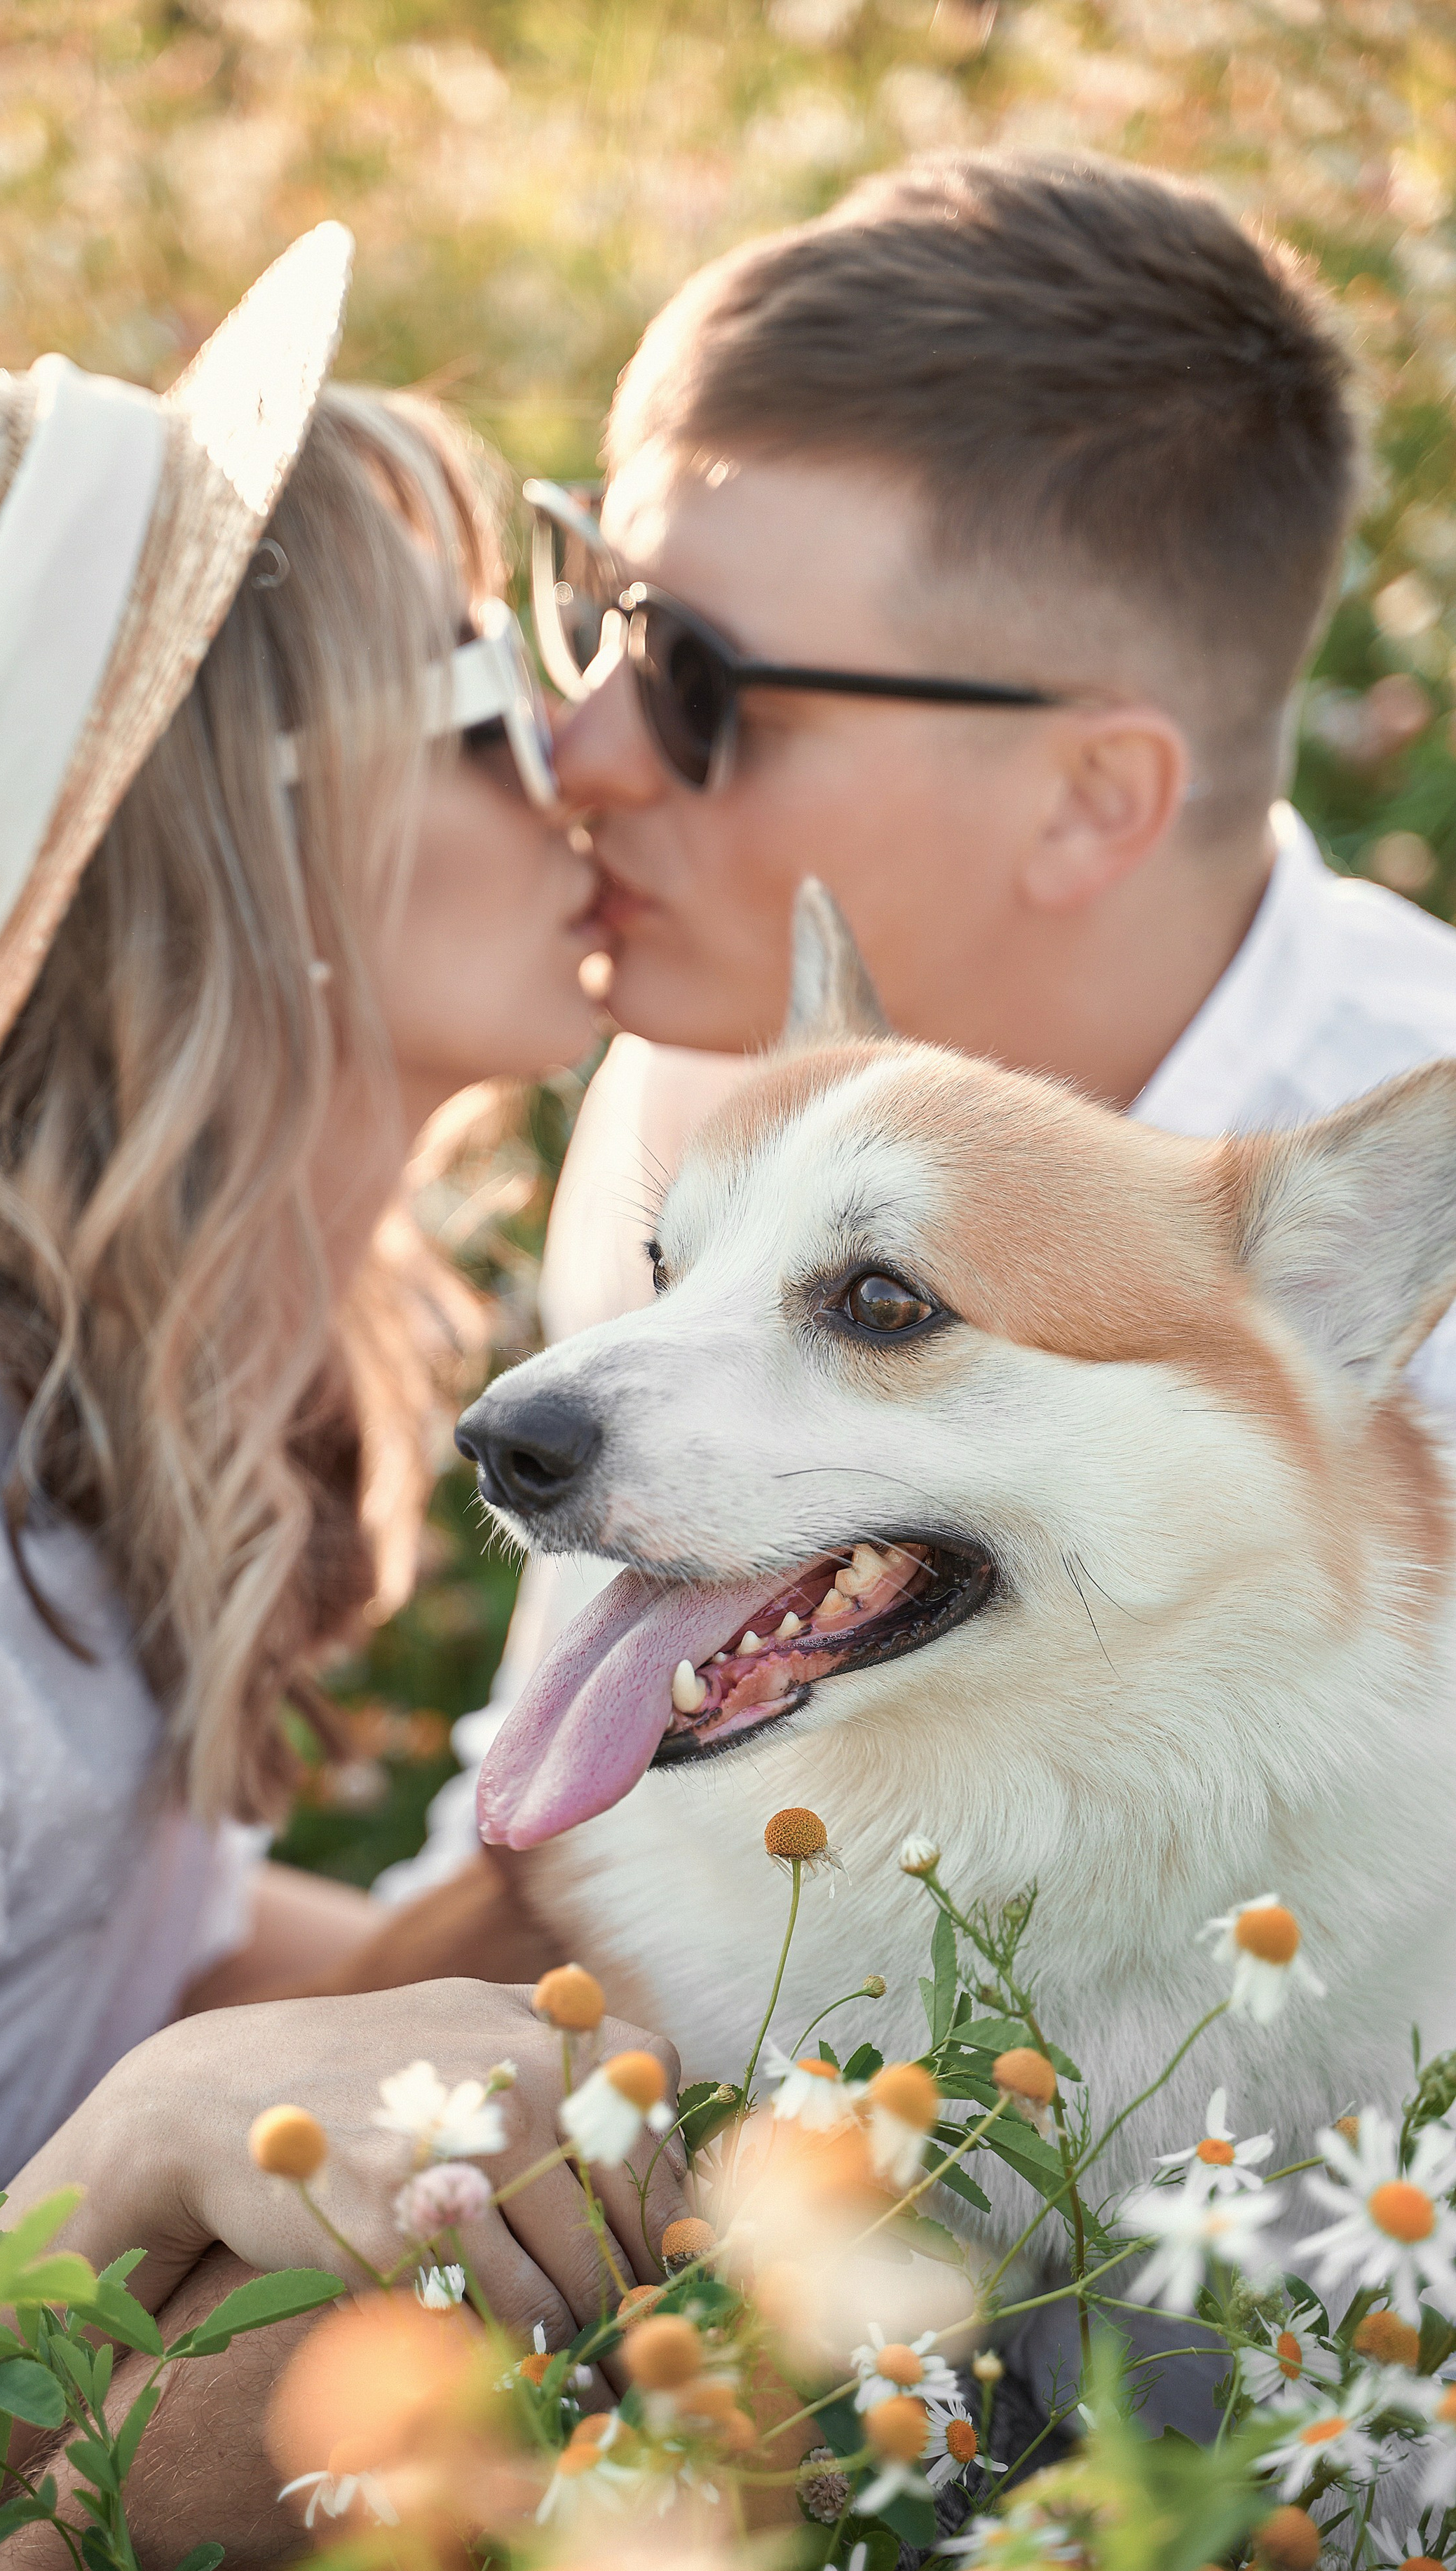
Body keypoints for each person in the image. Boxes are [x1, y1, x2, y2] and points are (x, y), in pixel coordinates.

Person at [0, 224, 686, 2571]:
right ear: (252, 834)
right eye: (481, 691)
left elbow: (150, 1953)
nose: (577, 756)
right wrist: (132, 2152)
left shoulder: (97, 1395)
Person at [374, 147, 1456, 1923]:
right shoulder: (715, 1081)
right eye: (590, 610)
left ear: (1087, 798)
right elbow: (548, 1861)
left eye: (697, 678)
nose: (579, 750)